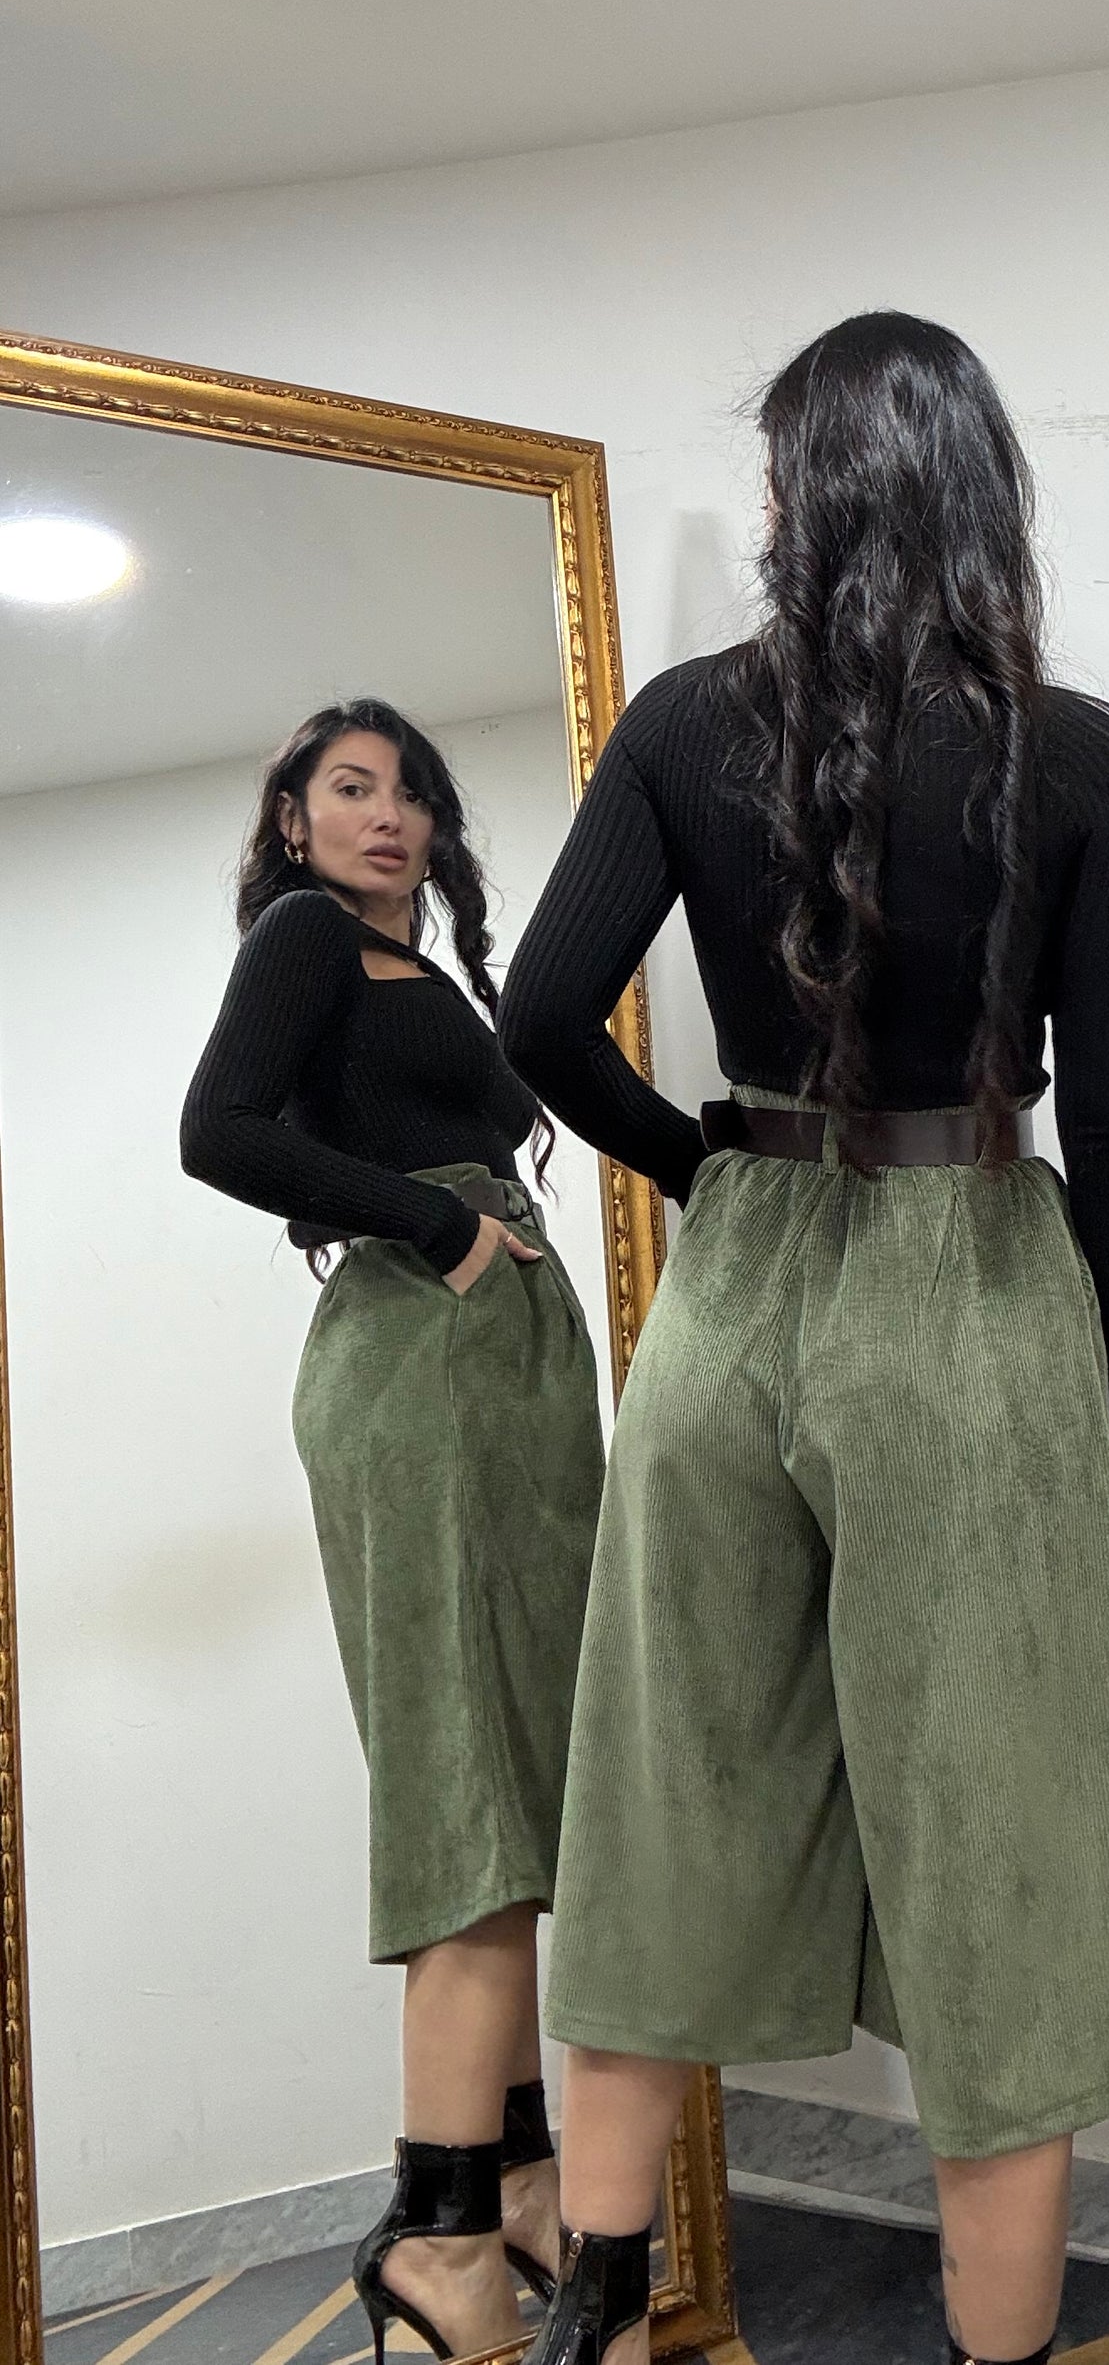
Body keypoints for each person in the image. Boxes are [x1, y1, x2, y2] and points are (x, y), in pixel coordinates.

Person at [498, 311, 1109, 2365]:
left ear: (794, 494)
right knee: (1002, 1830)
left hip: (736, 1294)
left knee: (664, 1785)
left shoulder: (677, 723)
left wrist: (706, 1168)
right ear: (982, 491)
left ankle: (590, 2320)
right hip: (966, 1280)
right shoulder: (1067, 751)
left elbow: (539, 1019)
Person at [179, 699, 606, 2364]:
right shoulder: (301, 938)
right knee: (467, 1786)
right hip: (421, 1373)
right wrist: (435, 1222)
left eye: (412, 792)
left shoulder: (416, 970)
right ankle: (438, 2231)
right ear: (292, 820)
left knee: (516, 1772)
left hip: (497, 1379)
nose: (391, 813)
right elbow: (219, 1132)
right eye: (350, 788)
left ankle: (518, 2179)